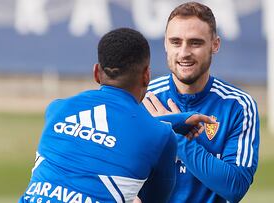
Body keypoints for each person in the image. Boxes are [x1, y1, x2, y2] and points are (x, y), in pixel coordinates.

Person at [18, 27, 214, 203]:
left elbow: (113, 128)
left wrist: (173, 122)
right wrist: (169, 126)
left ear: (96, 73)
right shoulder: (161, 137)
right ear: (146, 76)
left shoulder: (57, 109)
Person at [143, 2, 260, 203]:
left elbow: (235, 186)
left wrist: (170, 134)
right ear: (165, 44)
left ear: (215, 44)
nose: (184, 52)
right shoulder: (144, 98)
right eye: (175, 42)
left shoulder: (238, 106)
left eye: (195, 43)